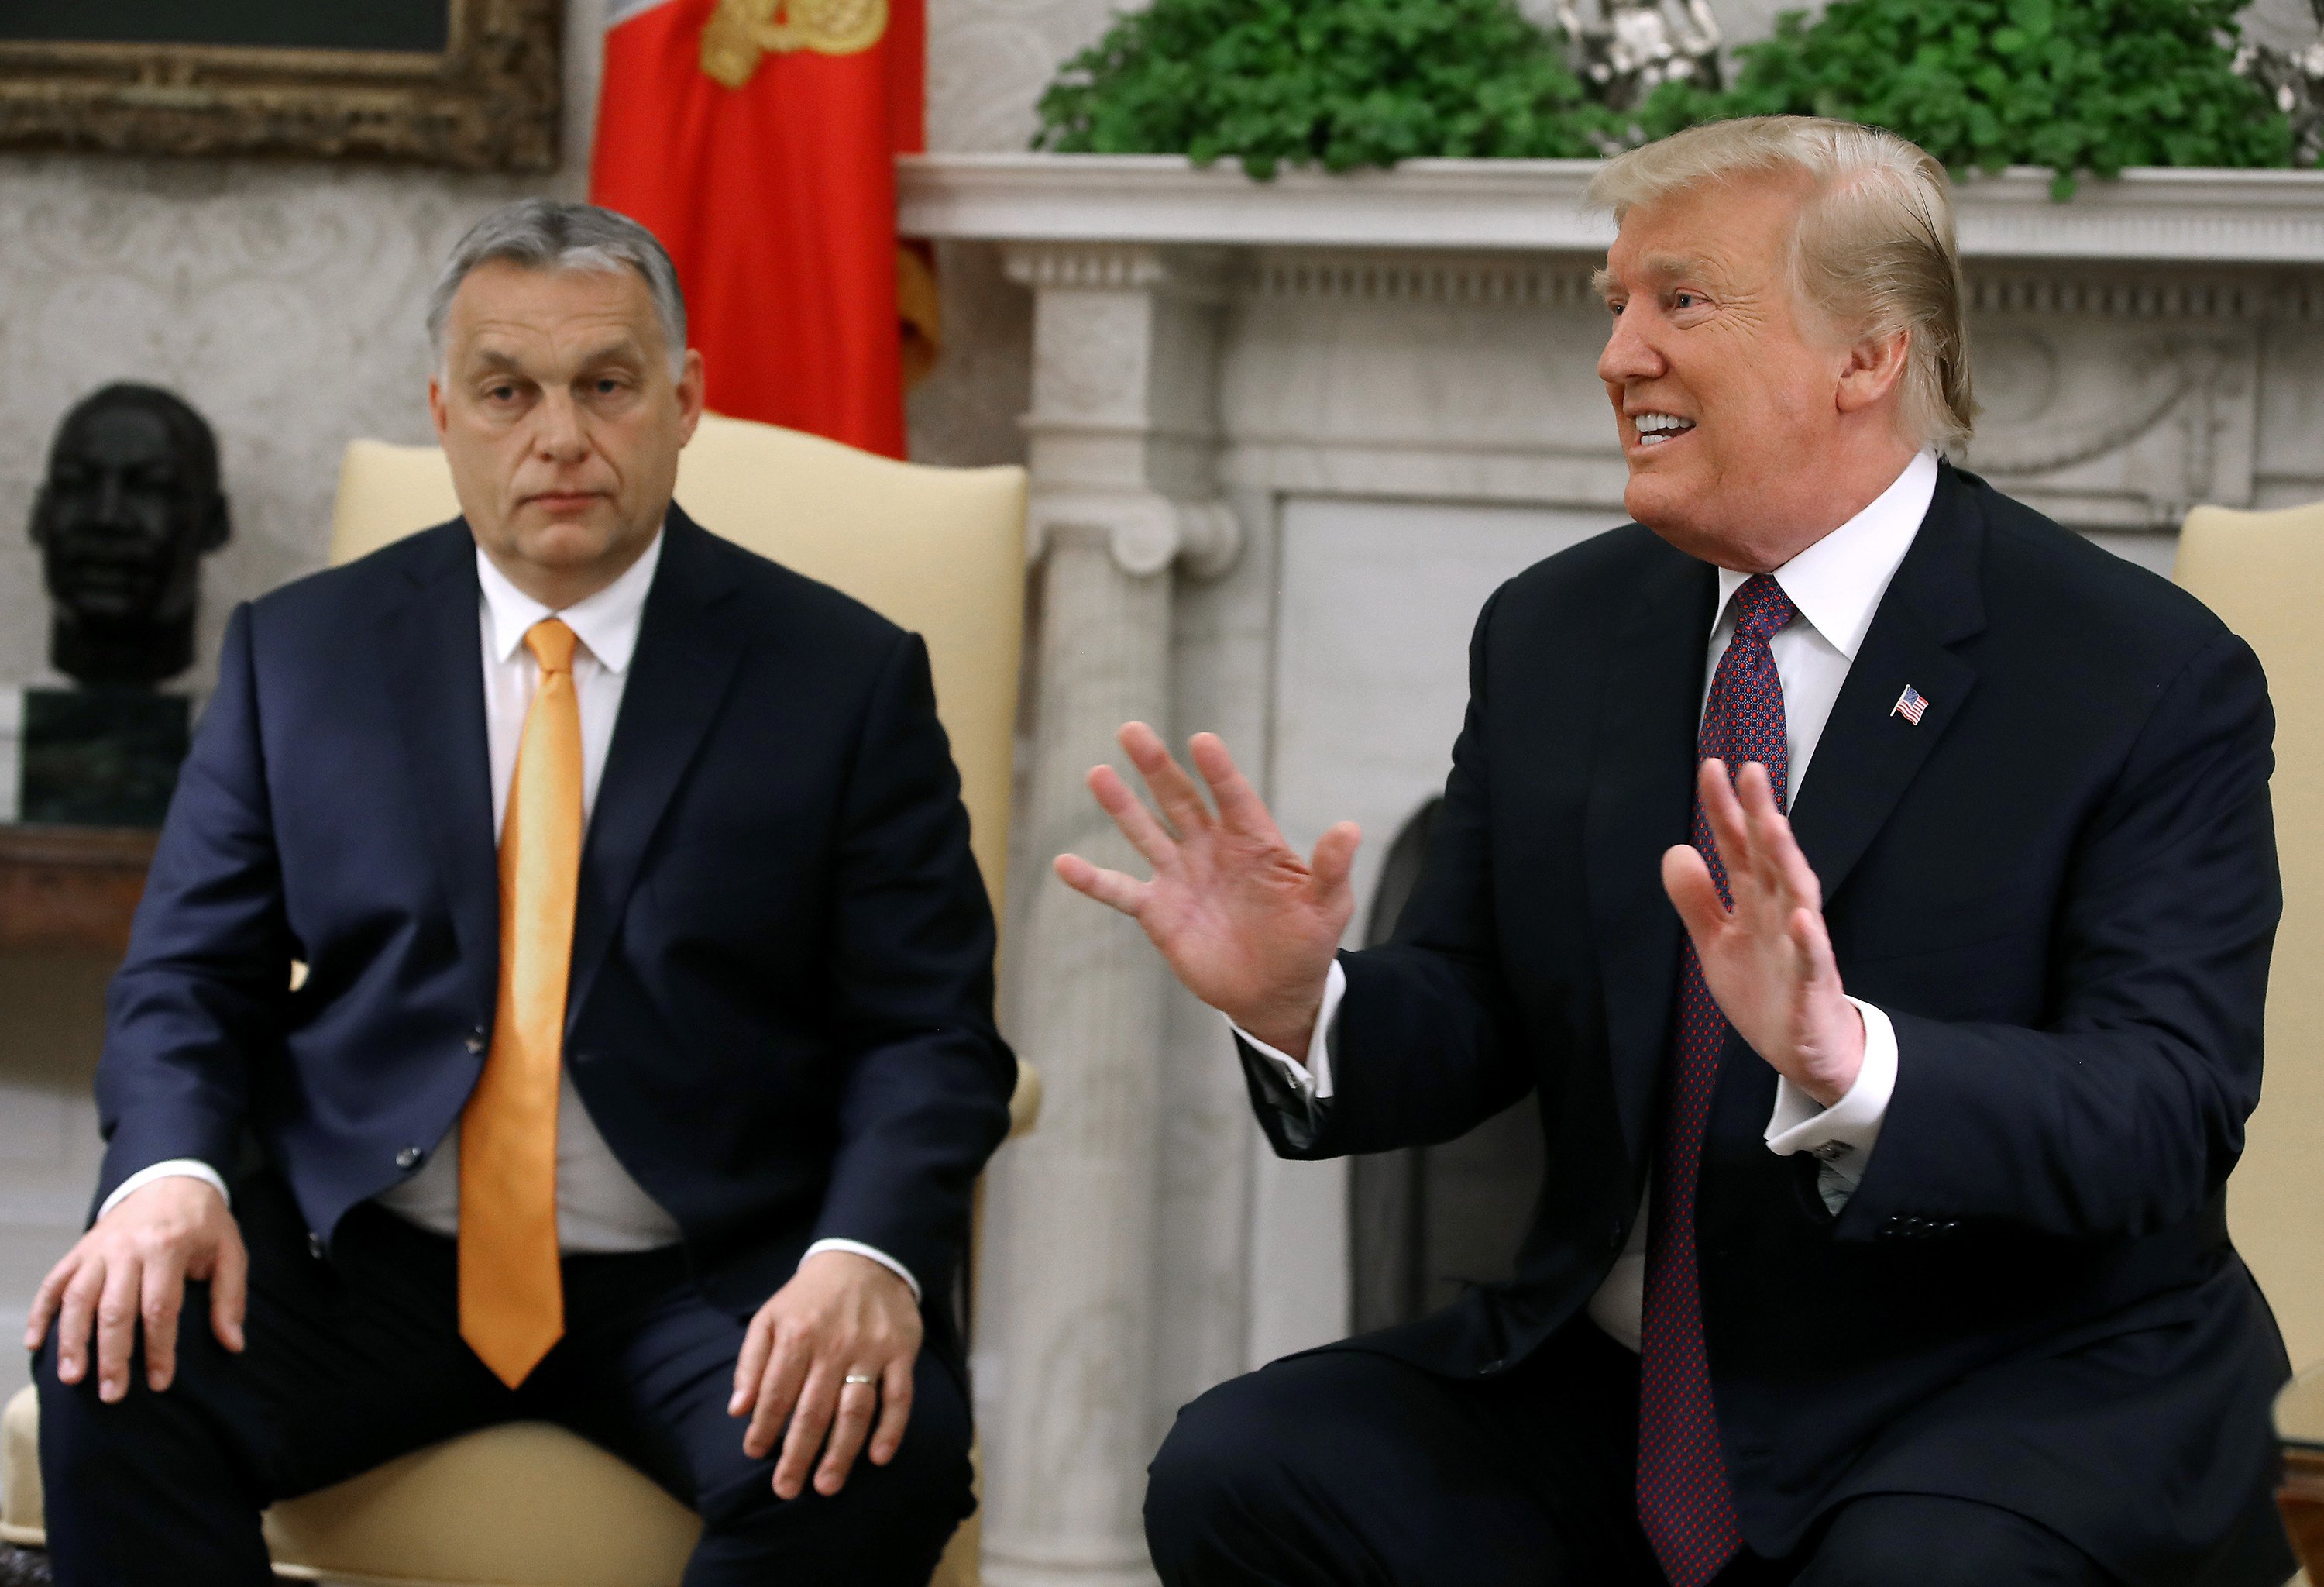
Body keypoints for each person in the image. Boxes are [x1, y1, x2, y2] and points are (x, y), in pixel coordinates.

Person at [1061, 117, 2295, 1586]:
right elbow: (1474, 1007)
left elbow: (2165, 1108)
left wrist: (1851, 1062)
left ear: (1868, 356)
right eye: (1617, 304)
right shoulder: (1557, 630)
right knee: (1247, 1470)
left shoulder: (2135, 669)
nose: (1619, 355)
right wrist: (1299, 1004)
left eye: (1682, 302)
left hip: (2000, 1386)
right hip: (1626, 1383)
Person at [28, 198, 1015, 1585]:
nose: (559, 436)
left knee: (872, 1465)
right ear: (447, 411)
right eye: (509, 391)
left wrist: (864, 1252)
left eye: (605, 386)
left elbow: (929, 1033)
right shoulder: (296, 657)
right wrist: (167, 1175)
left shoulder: (844, 680)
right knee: (112, 1377)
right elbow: (190, 977)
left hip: (712, 1270)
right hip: (356, 1252)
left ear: (684, 402)